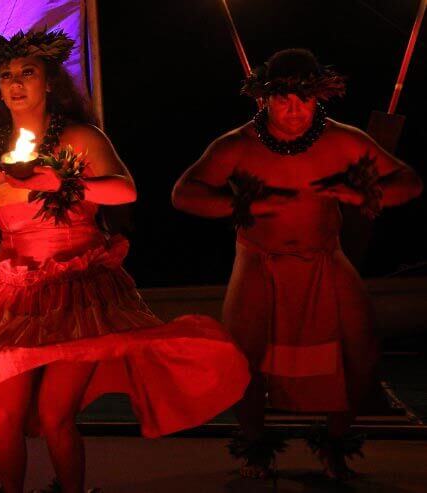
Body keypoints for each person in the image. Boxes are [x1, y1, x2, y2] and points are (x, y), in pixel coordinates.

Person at [0, 29, 249, 492]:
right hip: (15, 295)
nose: (15, 84)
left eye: (27, 73)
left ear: (50, 82)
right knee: (4, 417)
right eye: (6, 77)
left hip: (79, 288)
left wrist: (59, 183)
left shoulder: (79, 137)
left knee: (57, 415)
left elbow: (126, 190)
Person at [172, 48, 422, 480]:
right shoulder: (236, 145)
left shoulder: (344, 140)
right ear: (264, 99)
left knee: (359, 350)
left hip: (326, 258)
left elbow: (408, 181)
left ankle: (336, 448)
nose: (293, 109)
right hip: (258, 261)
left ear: (318, 98)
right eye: (283, 98)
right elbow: (184, 193)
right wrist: (241, 205)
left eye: (303, 99)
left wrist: (360, 196)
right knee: (243, 359)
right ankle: (255, 452)